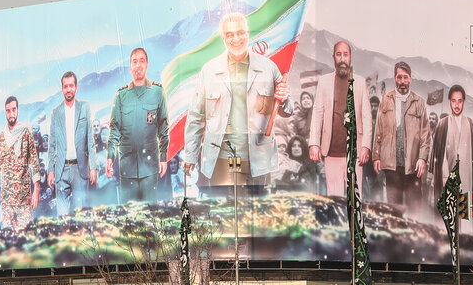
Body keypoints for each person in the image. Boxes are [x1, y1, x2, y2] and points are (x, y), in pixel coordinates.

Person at [182, 13, 291, 194]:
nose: (235, 39)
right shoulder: (209, 71)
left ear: (248, 33)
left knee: (252, 215)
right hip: (221, 158)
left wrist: (285, 97)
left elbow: (287, 110)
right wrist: (191, 154)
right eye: (229, 34)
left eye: (240, 33)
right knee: (223, 215)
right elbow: (195, 115)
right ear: (223, 38)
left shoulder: (268, 68)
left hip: (256, 157)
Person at [308, 40, 370, 198]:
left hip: (354, 154)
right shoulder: (324, 81)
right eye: (339, 54)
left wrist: (366, 146)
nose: (342, 58)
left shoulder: (361, 82)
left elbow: (367, 116)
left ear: (350, 58)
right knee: (334, 201)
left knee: (354, 201)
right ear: (333, 57)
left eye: (345, 54)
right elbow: (317, 113)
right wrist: (314, 143)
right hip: (332, 152)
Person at [107, 48, 169, 203]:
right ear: (130, 67)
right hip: (127, 167)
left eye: (142, 61)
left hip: (149, 167)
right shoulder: (121, 96)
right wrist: (110, 156)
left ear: (147, 64)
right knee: (129, 218)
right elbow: (114, 129)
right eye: (134, 62)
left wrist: (163, 157)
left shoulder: (157, 92)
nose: (138, 65)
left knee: (151, 216)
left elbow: (163, 127)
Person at [371, 61, 431, 212]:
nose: (402, 81)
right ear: (394, 78)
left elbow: (425, 134)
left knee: (414, 210)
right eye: (399, 77)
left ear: (410, 78)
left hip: (413, 166)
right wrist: (376, 156)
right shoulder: (385, 100)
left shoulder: (419, 102)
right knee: (394, 209)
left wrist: (423, 159)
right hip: (391, 165)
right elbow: (378, 130)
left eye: (405, 77)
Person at [430, 84, 473, 223]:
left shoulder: (471, 124)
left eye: (460, 101)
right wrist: (444, 175)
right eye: (453, 101)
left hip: (467, 178)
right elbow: (439, 154)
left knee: (465, 217)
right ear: (449, 101)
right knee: (449, 218)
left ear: (464, 102)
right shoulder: (442, 124)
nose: (456, 105)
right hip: (448, 179)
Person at [48, 72, 98, 215]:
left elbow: (90, 139)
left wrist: (93, 166)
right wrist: (51, 170)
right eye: (65, 86)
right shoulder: (56, 112)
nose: (68, 89)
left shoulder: (84, 107)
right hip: (61, 170)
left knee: (79, 216)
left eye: (71, 86)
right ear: (62, 89)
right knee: (62, 218)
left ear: (76, 87)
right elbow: (52, 144)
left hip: (80, 169)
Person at [0, 95, 41, 231]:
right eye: (8, 111)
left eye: (13, 110)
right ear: (5, 112)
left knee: (25, 240)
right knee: (9, 244)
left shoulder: (26, 133)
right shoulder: (1, 137)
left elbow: (34, 162)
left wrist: (37, 189)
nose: (11, 114)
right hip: (6, 201)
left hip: (23, 199)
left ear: (18, 111)